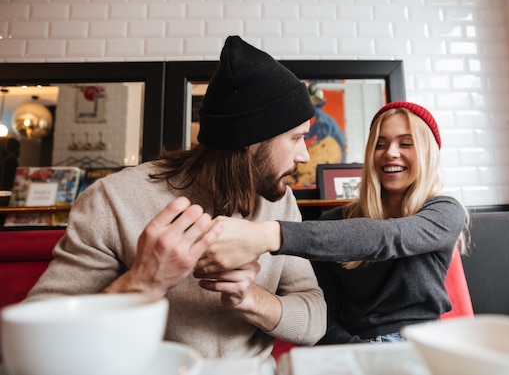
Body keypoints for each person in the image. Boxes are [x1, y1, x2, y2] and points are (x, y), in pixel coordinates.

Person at [25, 36, 327, 360]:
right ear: (252, 140)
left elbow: (313, 321)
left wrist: (248, 298)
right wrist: (144, 281)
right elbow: (35, 337)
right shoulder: (112, 201)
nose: (305, 156)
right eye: (296, 138)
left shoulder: (280, 203)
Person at [196, 101, 469, 343]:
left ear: (427, 153)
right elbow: (324, 317)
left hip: (424, 347)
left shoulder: (445, 211)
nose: (390, 153)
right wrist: (361, 352)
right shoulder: (335, 222)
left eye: (405, 143)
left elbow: (388, 237)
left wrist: (267, 235)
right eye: (380, 144)